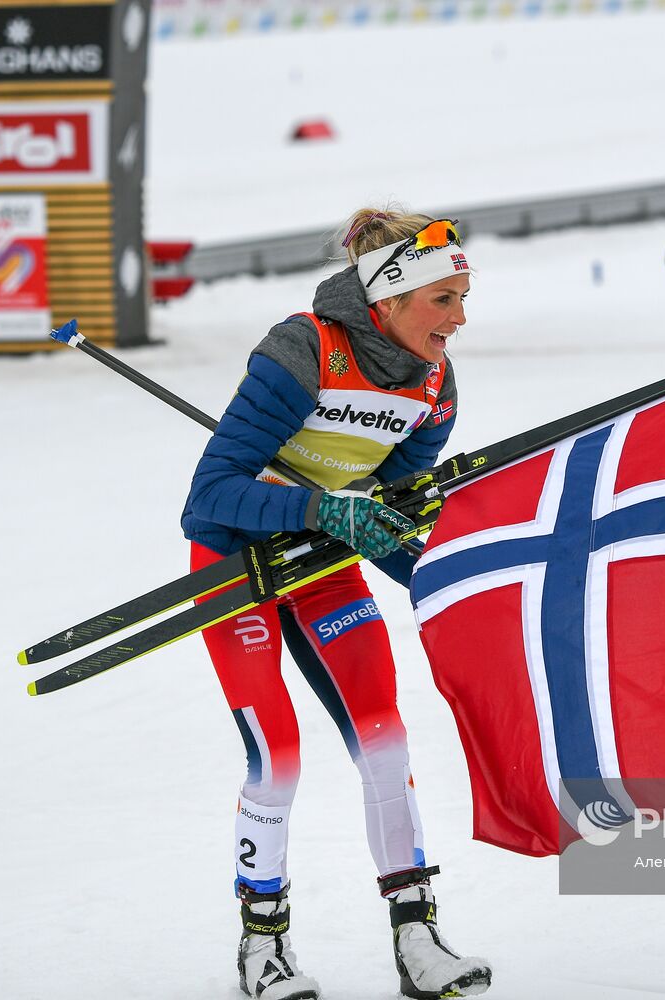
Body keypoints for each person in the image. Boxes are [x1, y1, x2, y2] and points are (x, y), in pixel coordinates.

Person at [180, 209, 492, 1000]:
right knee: (277, 756)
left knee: (384, 742)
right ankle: (263, 948)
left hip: (324, 560)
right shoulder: (301, 351)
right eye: (444, 299)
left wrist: (444, 579)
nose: (460, 318)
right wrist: (322, 509)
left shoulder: (434, 387)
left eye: (463, 296)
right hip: (233, 559)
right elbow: (209, 495)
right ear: (388, 299)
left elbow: (389, 517)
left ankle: (417, 936)